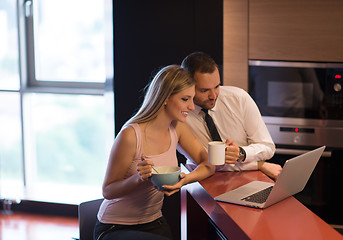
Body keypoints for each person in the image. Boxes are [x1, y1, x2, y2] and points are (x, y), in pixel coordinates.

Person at [94, 65, 215, 240]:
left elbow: (208, 165)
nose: (191, 106)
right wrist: (138, 177)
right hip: (115, 226)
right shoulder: (130, 135)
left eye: (192, 99)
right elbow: (108, 191)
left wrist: (184, 180)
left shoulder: (177, 128)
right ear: (165, 97)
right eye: (185, 99)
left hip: (154, 222)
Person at [179, 52, 282, 180]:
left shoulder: (239, 98)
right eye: (204, 90)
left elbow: (268, 147)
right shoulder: (178, 113)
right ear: (187, 86)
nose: (213, 96)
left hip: (245, 179)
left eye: (216, 86)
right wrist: (259, 164)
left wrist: (242, 153)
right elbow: (210, 164)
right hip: (201, 181)